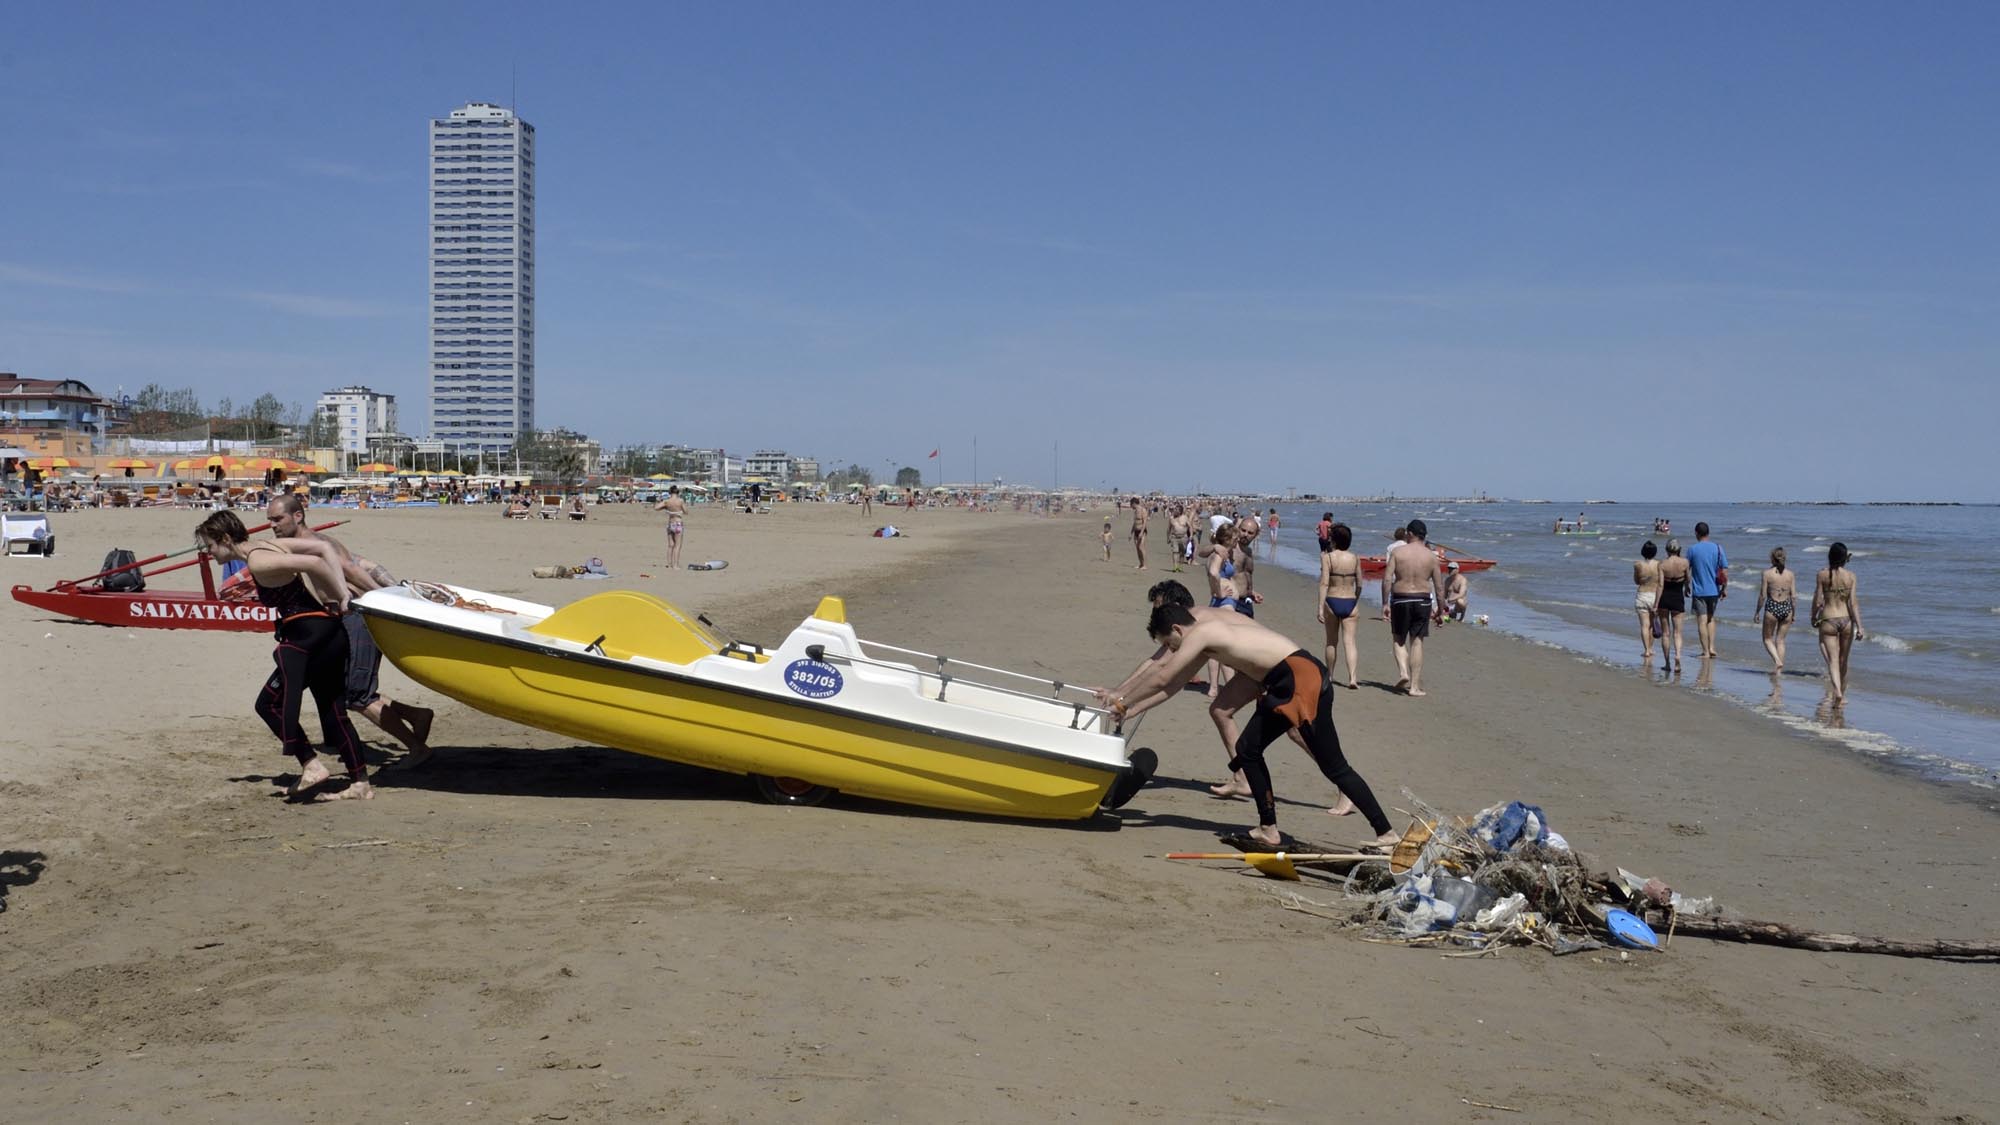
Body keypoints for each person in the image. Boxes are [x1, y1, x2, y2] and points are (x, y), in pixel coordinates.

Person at [1112, 603, 1399, 850]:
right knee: (1247, 749)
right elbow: (1172, 683)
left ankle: (1386, 833)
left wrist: (1122, 702)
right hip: (1284, 680)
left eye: (1170, 644)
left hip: (1300, 678)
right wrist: (1131, 707)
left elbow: (1164, 676)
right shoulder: (1206, 633)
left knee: (1334, 766)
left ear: (1177, 629)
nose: (1172, 650)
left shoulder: (1202, 633)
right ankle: (1268, 829)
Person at [195, 510, 372, 801]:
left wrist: (342, 595)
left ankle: (311, 765)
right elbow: (323, 547)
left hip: (308, 640)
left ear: (225, 538)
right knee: (332, 709)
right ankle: (360, 783)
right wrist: (339, 597)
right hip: (329, 633)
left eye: (210, 545)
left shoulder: (259, 561)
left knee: (268, 704)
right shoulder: (267, 545)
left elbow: (315, 561)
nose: (209, 553)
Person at [266, 494, 436, 767]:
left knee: (358, 696)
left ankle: (417, 748)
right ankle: (415, 715)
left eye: (278, 519)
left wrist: (387, 599)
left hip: (357, 619)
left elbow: (353, 571)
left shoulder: (312, 545)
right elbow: (366, 564)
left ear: (298, 516)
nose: (272, 525)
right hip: (351, 619)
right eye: (269, 520)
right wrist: (393, 590)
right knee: (350, 689)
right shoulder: (320, 542)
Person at [1381, 518, 1447, 696]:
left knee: (1398, 639)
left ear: (1410, 534)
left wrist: (1385, 603)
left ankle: (1403, 672)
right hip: (1423, 599)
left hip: (1401, 598)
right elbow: (1439, 587)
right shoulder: (1431, 557)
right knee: (1417, 642)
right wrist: (1440, 610)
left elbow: (1387, 579)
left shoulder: (1398, 552)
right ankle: (1414, 687)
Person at [1811, 542, 1863, 703]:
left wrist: (1813, 616)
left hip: (1828, 619)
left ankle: (1838, 691)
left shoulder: (1822, 575)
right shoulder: (1851, 576)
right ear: (1845, 558)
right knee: (1843, 660)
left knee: (1833, 660)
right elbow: (1853, 603)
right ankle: (1842, 694)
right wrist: (1860, 626)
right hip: (1847, 620)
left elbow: (1818, 599)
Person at [1316, 522, 1362, 690]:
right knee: (1350, 642)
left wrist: (1320, 607)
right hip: (1350, 600)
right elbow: (1360, 584)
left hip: (1332, 600)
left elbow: (1324, 583)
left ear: (1333, 540)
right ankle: (1353, 678)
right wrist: (1355, 600)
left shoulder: (1327, 557)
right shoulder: (1355, 557)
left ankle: (1330, 675)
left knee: (1331, 642)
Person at [1684, 521, 1730, 659]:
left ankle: (1705, 651)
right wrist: (1724, 589)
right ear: (1708, 533)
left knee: (1702, 621)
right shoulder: (1718, 548)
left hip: (1699, 591)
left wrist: (1686, 586)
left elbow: (1687, 570)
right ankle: (1712, 647)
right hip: (1714, 590)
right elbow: (1725, 572)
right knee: (1711, 619)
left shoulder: (1692, 549)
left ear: (1696, 533)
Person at [1754, 547, 1797, 672]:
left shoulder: (1767, 574)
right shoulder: (1790, 574)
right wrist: (1794, 613)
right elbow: (1793, 597)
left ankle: (1777, 661)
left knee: (1767, 639)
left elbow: (1763, 595)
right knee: (1781, 640)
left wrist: (1757, 611)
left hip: (1772, 606)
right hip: (1786, 607)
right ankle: (1778, 671)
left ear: (1772, 558)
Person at [1657, 539, 1690, 673]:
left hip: (1664, 598)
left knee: (1665, 633)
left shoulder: (1662, 564)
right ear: (1679, 549)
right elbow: (1688, 579)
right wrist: (1687, 589)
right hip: (1678, 598)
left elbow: (1660, 585)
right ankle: (1677, 656)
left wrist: (1655, 603)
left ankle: (1667, 663)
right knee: (1678, 632)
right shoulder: (1685, 562)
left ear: (1667, 550)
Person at [1633, 540, 1663, 665]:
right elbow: (1661, 582)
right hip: (1655, 595)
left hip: (1642, 595)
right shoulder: (1659, 564)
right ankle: (1650, 648)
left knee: (1644, 625)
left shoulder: (1638, 564)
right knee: (1652, 624)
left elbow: (1636, 581)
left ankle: (1646, 650)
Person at [654, 485, 688, 568]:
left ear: (670, 492)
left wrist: (665, 507)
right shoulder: (680, 501)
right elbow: (686, 511)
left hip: (670, 524)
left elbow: (656, 508)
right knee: (677, 545)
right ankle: (675, 565)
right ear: (678, 492)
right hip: (678, 523)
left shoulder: (667, 501)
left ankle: (669, 564)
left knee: (670, 545)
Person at [1128, 495, 1148, 569]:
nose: (1130, 506)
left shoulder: (1143, 510)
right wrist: (1131, 533)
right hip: (1136, 531)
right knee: (1137, 548)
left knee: (1141, 547)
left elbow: (1145, 522)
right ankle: (1141, 564)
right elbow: (1135, 523)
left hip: (1142, 531)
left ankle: (1145, 565)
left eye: (1131, 504)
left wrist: (1141, 532)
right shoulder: (1135, 511)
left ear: (1134, 503)